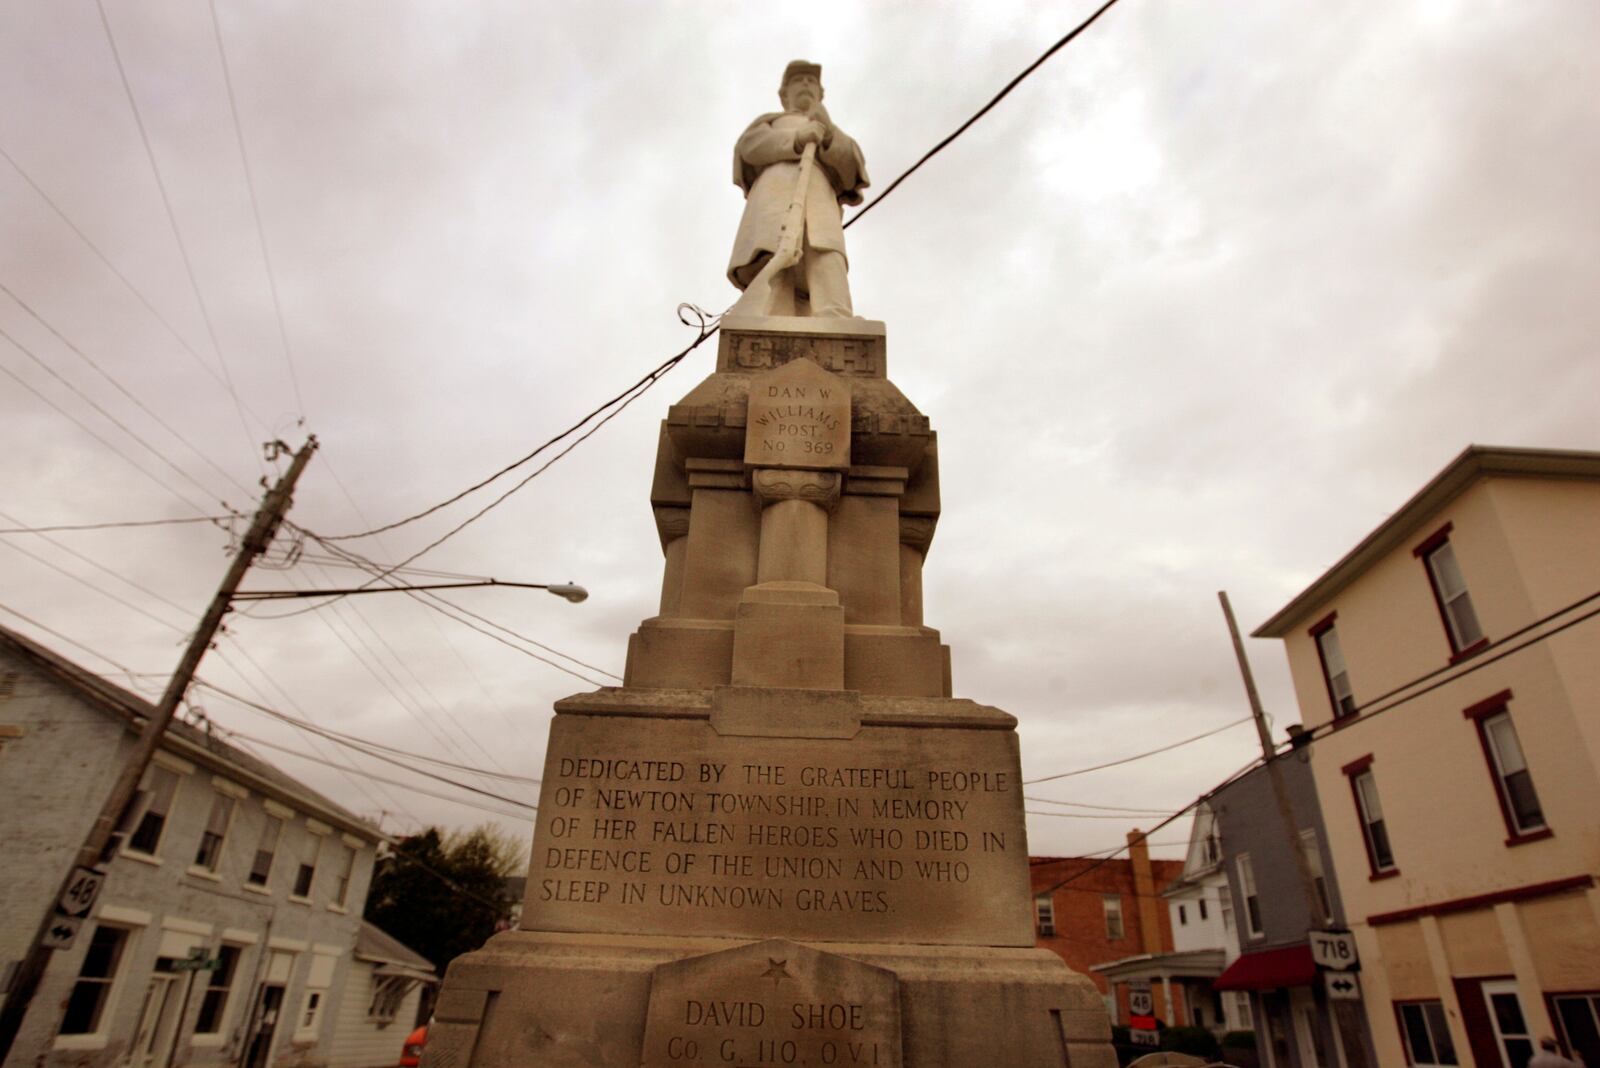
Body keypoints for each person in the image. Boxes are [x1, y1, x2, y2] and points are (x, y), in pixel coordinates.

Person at [728, 60, 868, 317]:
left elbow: (854, 166)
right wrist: (796, 139)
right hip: (774, 196)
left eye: (811, 81)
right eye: (798, 80)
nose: (805, 83)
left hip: (819, 198)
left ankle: (833, 313)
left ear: (820, 93)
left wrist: (828, 135)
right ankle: (772, 314)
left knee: (825, 252)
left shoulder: (829, 129)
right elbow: (750, 148)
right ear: (784, 94)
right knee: (775, 258)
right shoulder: (770, 122)